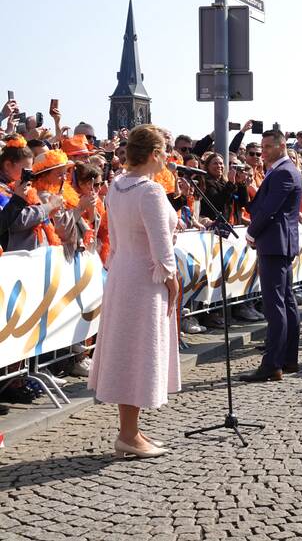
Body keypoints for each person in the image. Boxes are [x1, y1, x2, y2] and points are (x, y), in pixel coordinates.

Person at [88, 124, 180, 458]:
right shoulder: (150, 191)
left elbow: (116, 236)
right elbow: (161, 247)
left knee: (129, 352)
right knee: (139, 352)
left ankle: (131, 431)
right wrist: (172, 281)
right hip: (146, 278)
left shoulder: (117, 185)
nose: (168, 158)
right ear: (154, 154)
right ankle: (128, 434)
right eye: (165, 152)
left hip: (123, 273)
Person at [238, 130, 302, 381]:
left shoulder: (284, 171)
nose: (262, 152)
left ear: (281, 146)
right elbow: (259, 206)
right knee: (285, 302)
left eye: (267, 147)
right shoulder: (279, 171)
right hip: (279, 244)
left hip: (275, 244)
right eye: (261, 147)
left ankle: (273, 363)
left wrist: (252, 233)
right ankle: (288, 359)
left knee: (275, 304)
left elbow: (269, 210)